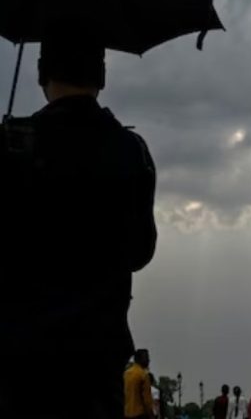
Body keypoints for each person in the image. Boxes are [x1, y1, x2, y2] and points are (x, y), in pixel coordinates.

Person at [0, 24, 158, 418]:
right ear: (102, 77)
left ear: (41, 74)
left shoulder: (14, 143)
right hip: (97, 356)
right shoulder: (131, 150)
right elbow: (141, 252)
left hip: (20, 355)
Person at [124, 350, 156, 419]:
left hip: (126, 413)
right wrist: (151, 415)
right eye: (147, 357)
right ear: (140, 359)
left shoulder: (126, 374)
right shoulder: (143, 375)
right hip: (140, 414)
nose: (149, 360)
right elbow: (147, 401)